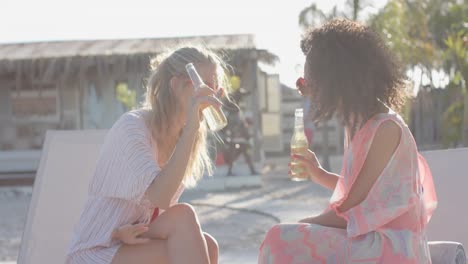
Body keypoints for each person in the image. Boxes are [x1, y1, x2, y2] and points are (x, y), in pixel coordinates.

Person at [258, 19, 437, 263]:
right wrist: (318, 173)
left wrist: (303, 224)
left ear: (338, 79)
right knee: (285, 237)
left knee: (280, 238)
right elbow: (362, 195)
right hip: (371, 239)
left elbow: (352, 210)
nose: (306, 89)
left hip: (393, 247)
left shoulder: (386, 129)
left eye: (310, 81)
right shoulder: (360, 124)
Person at [67, 46, 231, 264]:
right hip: (94, 252)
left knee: (207, 244)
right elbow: (160, 196)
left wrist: (192, 127)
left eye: (215, 86)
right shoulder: (132, 127)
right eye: (204, 85)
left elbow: (154, 214)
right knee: (183, 217)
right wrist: (192, 126)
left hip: (126, 241)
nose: (211, 93)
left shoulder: (182, 136)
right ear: (175, 85)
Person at [221, 88, 258, 176]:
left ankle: (251, 170)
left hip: (239, 136)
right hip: (236, 136)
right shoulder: (233, 111)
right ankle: (232, 171)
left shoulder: (236, 112)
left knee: (243, 153)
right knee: (236, 153)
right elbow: (232, 125)